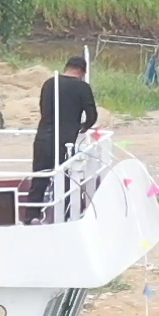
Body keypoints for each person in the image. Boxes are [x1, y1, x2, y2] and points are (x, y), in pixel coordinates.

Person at [31, 53, 100, 219]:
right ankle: (67, 214)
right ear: (82, 72)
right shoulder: (82, 87)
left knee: (39, 178)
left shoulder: (49, 83)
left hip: (43, 137)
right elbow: (92, 115)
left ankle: (31, 215)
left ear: (66, 67)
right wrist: (83, 127)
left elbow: (43, 109)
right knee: (66, 178)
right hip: (66, 139)